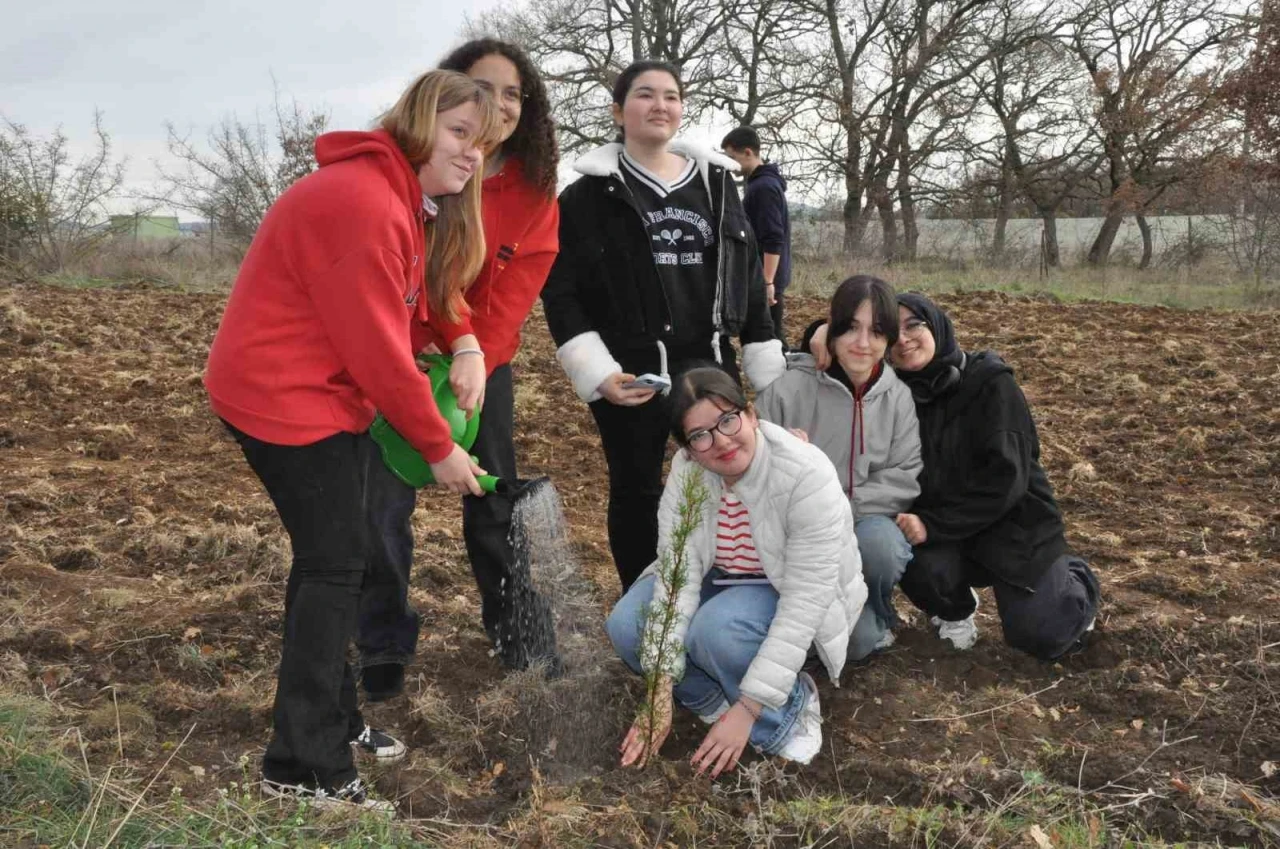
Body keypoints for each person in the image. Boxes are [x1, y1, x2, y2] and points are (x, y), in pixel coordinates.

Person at [204, 70, 501, 811]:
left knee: (336, 560)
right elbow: (375, 348)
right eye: (460, 132)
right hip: (284, 398)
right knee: (336, 565)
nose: (472, 154)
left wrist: (458, 346)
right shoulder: (366, 202)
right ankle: (303, 764)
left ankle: (330, 720)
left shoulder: (395, 197)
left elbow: (402, 314)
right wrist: (438, 447)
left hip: (316, 394)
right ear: (418, 122)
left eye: (483, 143)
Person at [356, 38, 562, 688]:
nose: (499, 105)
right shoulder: (424, 168)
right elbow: (410, 277)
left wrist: (474, 359)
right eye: (484, 88)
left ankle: (518, 632)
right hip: (396, 352)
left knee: (493, 498)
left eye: (513, 93)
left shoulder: (535, 195)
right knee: (380, 505)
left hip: (480, 363)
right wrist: (423, 356)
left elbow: (509, 300)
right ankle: (383, 642)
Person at [542, 60, 785, 591]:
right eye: (645, 95)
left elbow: (748, 283)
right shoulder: (586, 198)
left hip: (710, 363)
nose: (660, 106)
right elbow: (562, 294)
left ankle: (729, 588)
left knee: (729, 477)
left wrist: (767, 364)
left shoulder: (718, 186)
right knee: (635, 491)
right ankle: (646, 606)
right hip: (630, 373)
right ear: (618, 110)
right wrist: (596, 371)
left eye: (671, 96)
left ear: (681, 109)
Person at [807, 293, 1100, 660]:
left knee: (1042, 635)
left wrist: (933, 524)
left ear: (938, 325)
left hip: (1012, 526)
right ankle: (955, 610)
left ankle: (1075, 582)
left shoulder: (990, 383)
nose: (905, 339)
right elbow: (836, 365)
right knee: (905, 546)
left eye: (915, 325)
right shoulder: (891, 394)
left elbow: (1005, 482)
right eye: (892, 333)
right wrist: (820, 330)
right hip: (943, 530)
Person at [606, 368, 867, 776]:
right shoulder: (688, 474)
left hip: (783, 587)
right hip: (722, 577)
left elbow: (805, 601)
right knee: (627, 624)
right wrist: (660, 688)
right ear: (688, 450)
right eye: (700, 435)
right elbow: (678, 574)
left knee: (715, 631)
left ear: (751, 414)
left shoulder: (804, 472)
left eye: (728, 420)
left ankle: (785, 714)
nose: (721, 441)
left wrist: (748, 709)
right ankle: (711, 702)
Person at [756, 275, 921, 657]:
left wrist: (841, 507)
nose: (863, 344)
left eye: (877, 332)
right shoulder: (787, 390)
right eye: (851, 328)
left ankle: (874, 612)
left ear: (889, 338)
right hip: (795, 529)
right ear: (832, 328)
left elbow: (904, 473)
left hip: (862, 520)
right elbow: (755, 465)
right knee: (836, 644)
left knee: (882, 549)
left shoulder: (897, 397)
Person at [720, 126, 791, 346]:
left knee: (770, 339)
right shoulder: (760, 184)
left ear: (748, 153)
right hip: (764, 276)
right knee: (769, 335)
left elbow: (773, 238)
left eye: (733, 157)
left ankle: (785, 378)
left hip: (766, 278)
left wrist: (767, 282)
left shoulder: (763, 188)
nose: (731, 165)